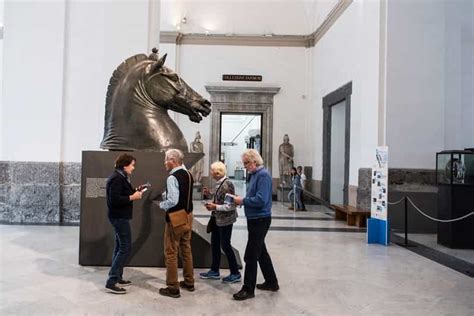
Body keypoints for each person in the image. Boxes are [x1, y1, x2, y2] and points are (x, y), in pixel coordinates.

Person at [233, 149, 279, 301]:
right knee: (261, 252)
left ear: (255, 161)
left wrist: (243, 201)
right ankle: (272, 282)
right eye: (244, 163)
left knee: (251, 255)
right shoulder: (254, 175)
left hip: (261, 219)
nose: (245, 166)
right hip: (254, 219)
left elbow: (261, 200)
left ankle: (248, 289)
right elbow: (254, 196)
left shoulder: (263, 175)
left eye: (247, 163)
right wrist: (242, 200)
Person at [105, 153, 144, 294]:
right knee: (125, 247)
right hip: (118, 217)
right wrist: (132, 197)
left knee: (120, 246)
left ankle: (118, 277)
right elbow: (115, 200)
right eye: (132, 165)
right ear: (125, 165)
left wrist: (135, 191)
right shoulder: (117, 178)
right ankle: (111, 281)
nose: (133, 168)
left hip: (119, 216)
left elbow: (122, 194)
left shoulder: (121, 176)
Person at [159, 149, 195, 298]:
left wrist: (162, 204)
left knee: (171, 251)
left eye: (166, 159)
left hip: (176, 217)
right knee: (186, 249)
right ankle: (189, 281)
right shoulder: (188, 174)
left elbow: (173, 201)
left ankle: (173, 287)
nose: (164, 163)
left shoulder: (172, 177)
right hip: (188, 215)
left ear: (173, 160)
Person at [201, 161, 241, 283]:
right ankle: (214, 270)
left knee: (225, 245)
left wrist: (215, 207)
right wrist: (210, 194)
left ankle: (235, 273)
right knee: (215, 244)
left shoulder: (227, 184)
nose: (211, 173)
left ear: (217, 172)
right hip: (218, 220)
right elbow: (221, 197)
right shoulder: (221, 183)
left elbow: (230, 206)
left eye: (212, 171)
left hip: (225, 220)